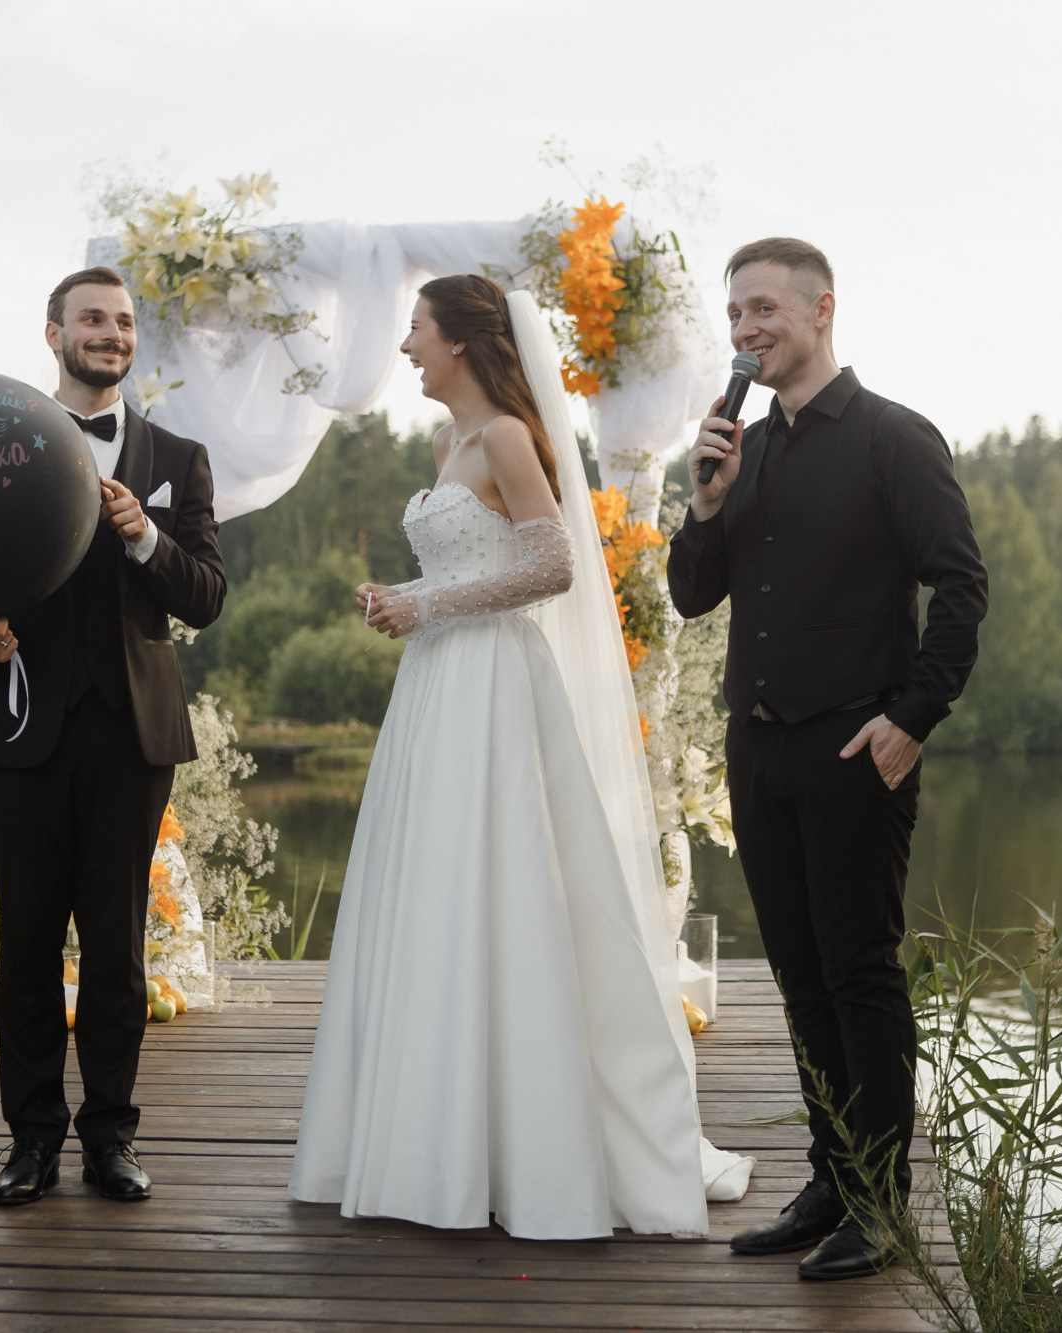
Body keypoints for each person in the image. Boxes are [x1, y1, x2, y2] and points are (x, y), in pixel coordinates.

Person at [287, 274, 753, 1239]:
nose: (407, 347)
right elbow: (467, 561)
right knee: (431, 889)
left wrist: (432, 605)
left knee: (505, 882)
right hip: (436, 688)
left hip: (495, 682)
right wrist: (403, 596)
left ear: (459, 339)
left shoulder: (504, 435)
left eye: (415, 330)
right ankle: (432, 1136)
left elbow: (554, 565)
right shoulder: (442, 442)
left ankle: (526, 1142)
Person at [666, 239, 986, 1279]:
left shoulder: (896, 439)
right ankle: (830, 1182)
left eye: (763, 309)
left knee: (858, 976)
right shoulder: (741, 450)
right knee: (800, 982)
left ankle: (880, 1204)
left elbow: (960, 589)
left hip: (856, 748)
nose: (745, 330)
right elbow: (688, 594)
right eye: (733, 315)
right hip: (756, 753)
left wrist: (910, 719)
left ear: (819, 310)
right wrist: (705, 502)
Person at [0, 266, 226, 1206]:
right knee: (26, 947)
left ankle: (111, 1136)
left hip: (133, 736)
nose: (111, 333)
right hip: (20, 728)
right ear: (53, 333)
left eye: (124, 322)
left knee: (117, 948)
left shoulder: (178, 455)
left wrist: (147, 536)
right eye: (92, 320)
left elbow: (207, 596)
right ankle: (29, 1141)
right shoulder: (1, 443)